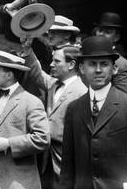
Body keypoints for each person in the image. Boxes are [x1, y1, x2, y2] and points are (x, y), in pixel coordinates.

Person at [59, 36, 127, 189]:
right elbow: (67, 167)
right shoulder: (74, 109)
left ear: (115, 68)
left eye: (104, 64)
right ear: (82, 69)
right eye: (92, 64)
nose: (98, 70)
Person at [0, 51, 49, 189]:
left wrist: (9, 143)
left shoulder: (31, 102)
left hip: (20, 183)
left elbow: (42, 138)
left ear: (9, 75)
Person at [23, 43, 87, 189]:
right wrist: (27, 49)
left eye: (57, 61)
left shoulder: (81, 92)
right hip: (48, 158)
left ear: (71, 64)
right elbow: (37, 73)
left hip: (67, 159)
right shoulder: (53, 84)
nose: (51, 64)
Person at [92, 11, 127, 98]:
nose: (101, 34)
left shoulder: (120, 63)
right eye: (100, 30)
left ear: (116, 37)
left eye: (107, 32)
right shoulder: (90, 57)